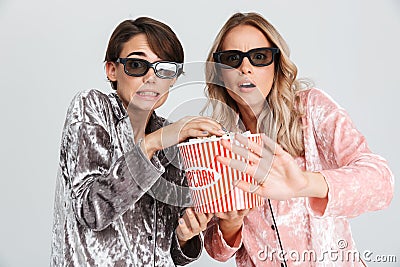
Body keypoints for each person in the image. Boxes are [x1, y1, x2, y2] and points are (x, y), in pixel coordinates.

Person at [202, 12, 394, 266]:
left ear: (276, 63)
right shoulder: (216, 142)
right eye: (231, 59)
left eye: (259, 57)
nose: (245, 67)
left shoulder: (312, 109)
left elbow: (381, 183)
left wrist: (305, 184)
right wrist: (230, 224)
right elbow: (218, 251)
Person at [50, 17, 224, 267]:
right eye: (136, 64)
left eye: (164, 69)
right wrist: (154, 143)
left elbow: (172, 251)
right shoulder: (91, 107)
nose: (151, 78)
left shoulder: (172, 137)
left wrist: (186, 236)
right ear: (112, 69)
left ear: (173, 78)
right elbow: (92, 210)